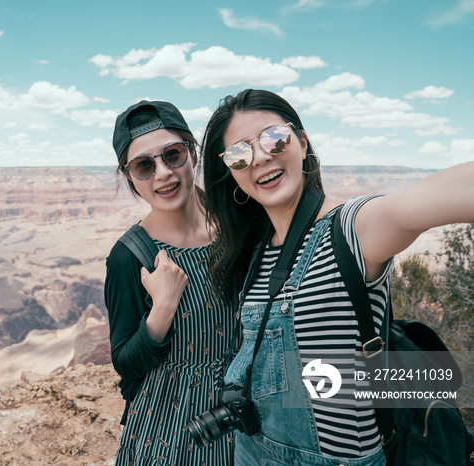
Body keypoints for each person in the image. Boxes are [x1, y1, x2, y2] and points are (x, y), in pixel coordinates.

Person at [200, 88, 474, 465]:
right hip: (253, 453)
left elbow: (414, 205)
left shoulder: (349, 230)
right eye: (239, 153)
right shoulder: (254, 251)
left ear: (302, 140)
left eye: (274, 138)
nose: (260, 156)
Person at [105, 100, 235, 465]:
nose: (162, 173)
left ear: (193, 153)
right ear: (130, 176)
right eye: (144, 165)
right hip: (168, 431)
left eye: (172, 155)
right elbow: (125, 363)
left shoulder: (238, 229)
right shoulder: (130, 255)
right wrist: (161, 309)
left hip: (244, 418)